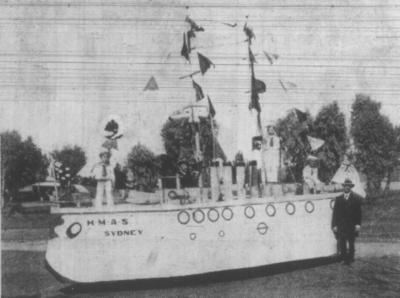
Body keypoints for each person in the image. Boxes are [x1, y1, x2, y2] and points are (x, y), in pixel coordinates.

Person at [331, 178, 362, 265]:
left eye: (348, 186)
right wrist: (334, 225)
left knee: (351, 242)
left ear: (351, 187)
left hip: (351, 224)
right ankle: (344, 258)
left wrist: (358, 224)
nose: (347, 188)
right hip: (341, 225)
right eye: (345, 186)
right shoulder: (339, 199)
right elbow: (335, 213)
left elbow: (359, 213)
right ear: (343, 187)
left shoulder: (356, 199)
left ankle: (351, 258)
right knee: (342, 242)